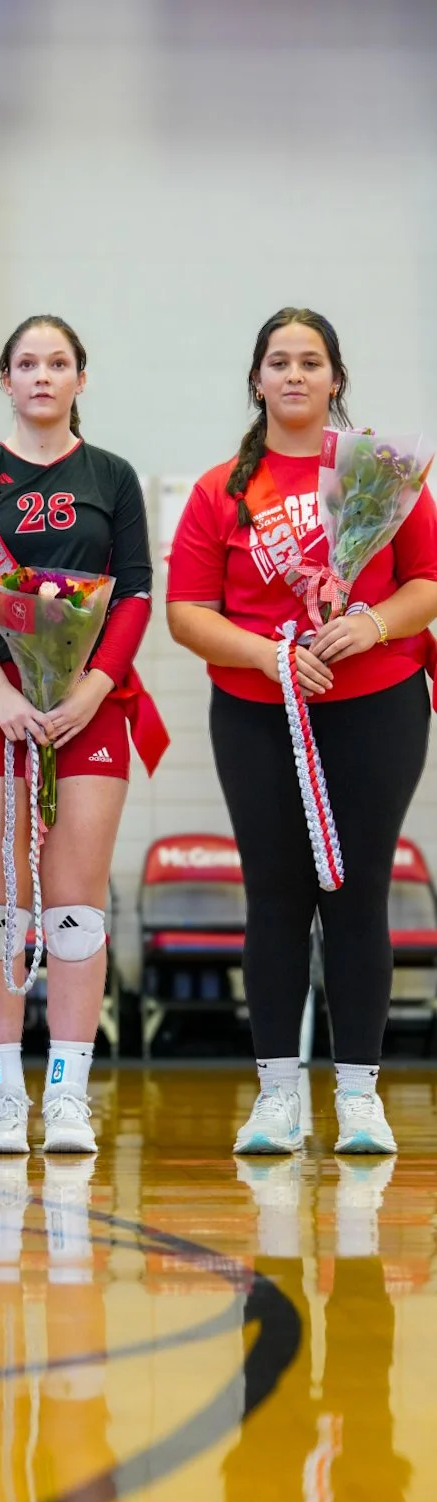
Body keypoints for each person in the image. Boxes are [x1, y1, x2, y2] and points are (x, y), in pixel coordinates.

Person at [167, 306, 437, 1155]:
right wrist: (267, 656)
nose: (293, 374)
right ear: (257, 380)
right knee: (276, 898)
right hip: (257, 712)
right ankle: (277, 1094)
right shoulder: (221, 490)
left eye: (309, 361)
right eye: (277, 361)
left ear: (334, 379)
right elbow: (184, 614)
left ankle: (359, 1095)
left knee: (356, 897)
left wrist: (376, 626)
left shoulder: (384, 476)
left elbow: (429, 580)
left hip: (378, 705)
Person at [0, 315, 164, 1155]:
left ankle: (66, 1095)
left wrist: (92, 688)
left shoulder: (112, 476)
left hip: (87, 707)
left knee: (73, 907)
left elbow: (134, 593)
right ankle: (3, 1098)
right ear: (5, 379)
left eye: (57, 362)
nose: (41, 376)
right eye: (26, 363)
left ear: (79, 379)